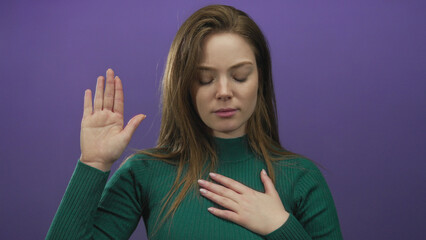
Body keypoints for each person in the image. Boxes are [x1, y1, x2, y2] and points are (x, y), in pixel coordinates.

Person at [46, 4, 343, 240]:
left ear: (260, 79)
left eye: (240, 76)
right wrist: (93, 163)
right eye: (205, 79)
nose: (224, 92)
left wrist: (280, 226)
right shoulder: (146, 173)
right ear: (185, 85)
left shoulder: (301, 177)